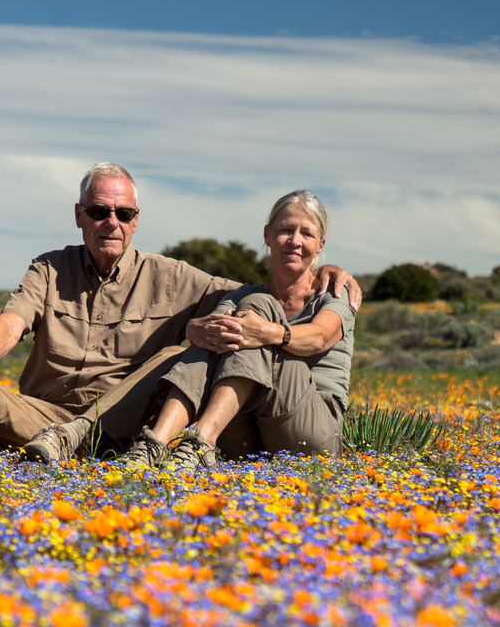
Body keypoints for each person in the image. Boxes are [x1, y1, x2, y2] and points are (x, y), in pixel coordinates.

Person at [0, 164, 362, 464]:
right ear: (79, 215)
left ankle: (154, 443)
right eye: (99, 211)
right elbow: (12, 320)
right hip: (46, 420)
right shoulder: (49, 268)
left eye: (123, 212)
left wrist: (326, 270)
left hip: (120, 420)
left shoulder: (173, 276)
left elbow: (259, 299)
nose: (111, 222)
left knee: (211, 336)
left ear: (136, 220)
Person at [119, 189, 354, 473]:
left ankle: (200, 439)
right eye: (286, 230)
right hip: (247, 435)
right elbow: (212, 335)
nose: (295, 241)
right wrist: (195, 328)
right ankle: (157, 442)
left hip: (310, 432)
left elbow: (319, 338)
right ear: (267, 235)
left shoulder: (334, 295)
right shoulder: (242, 294)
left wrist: (269, 332)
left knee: (256, 309)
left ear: (320, 245)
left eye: (306, 234)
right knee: (220, 332)